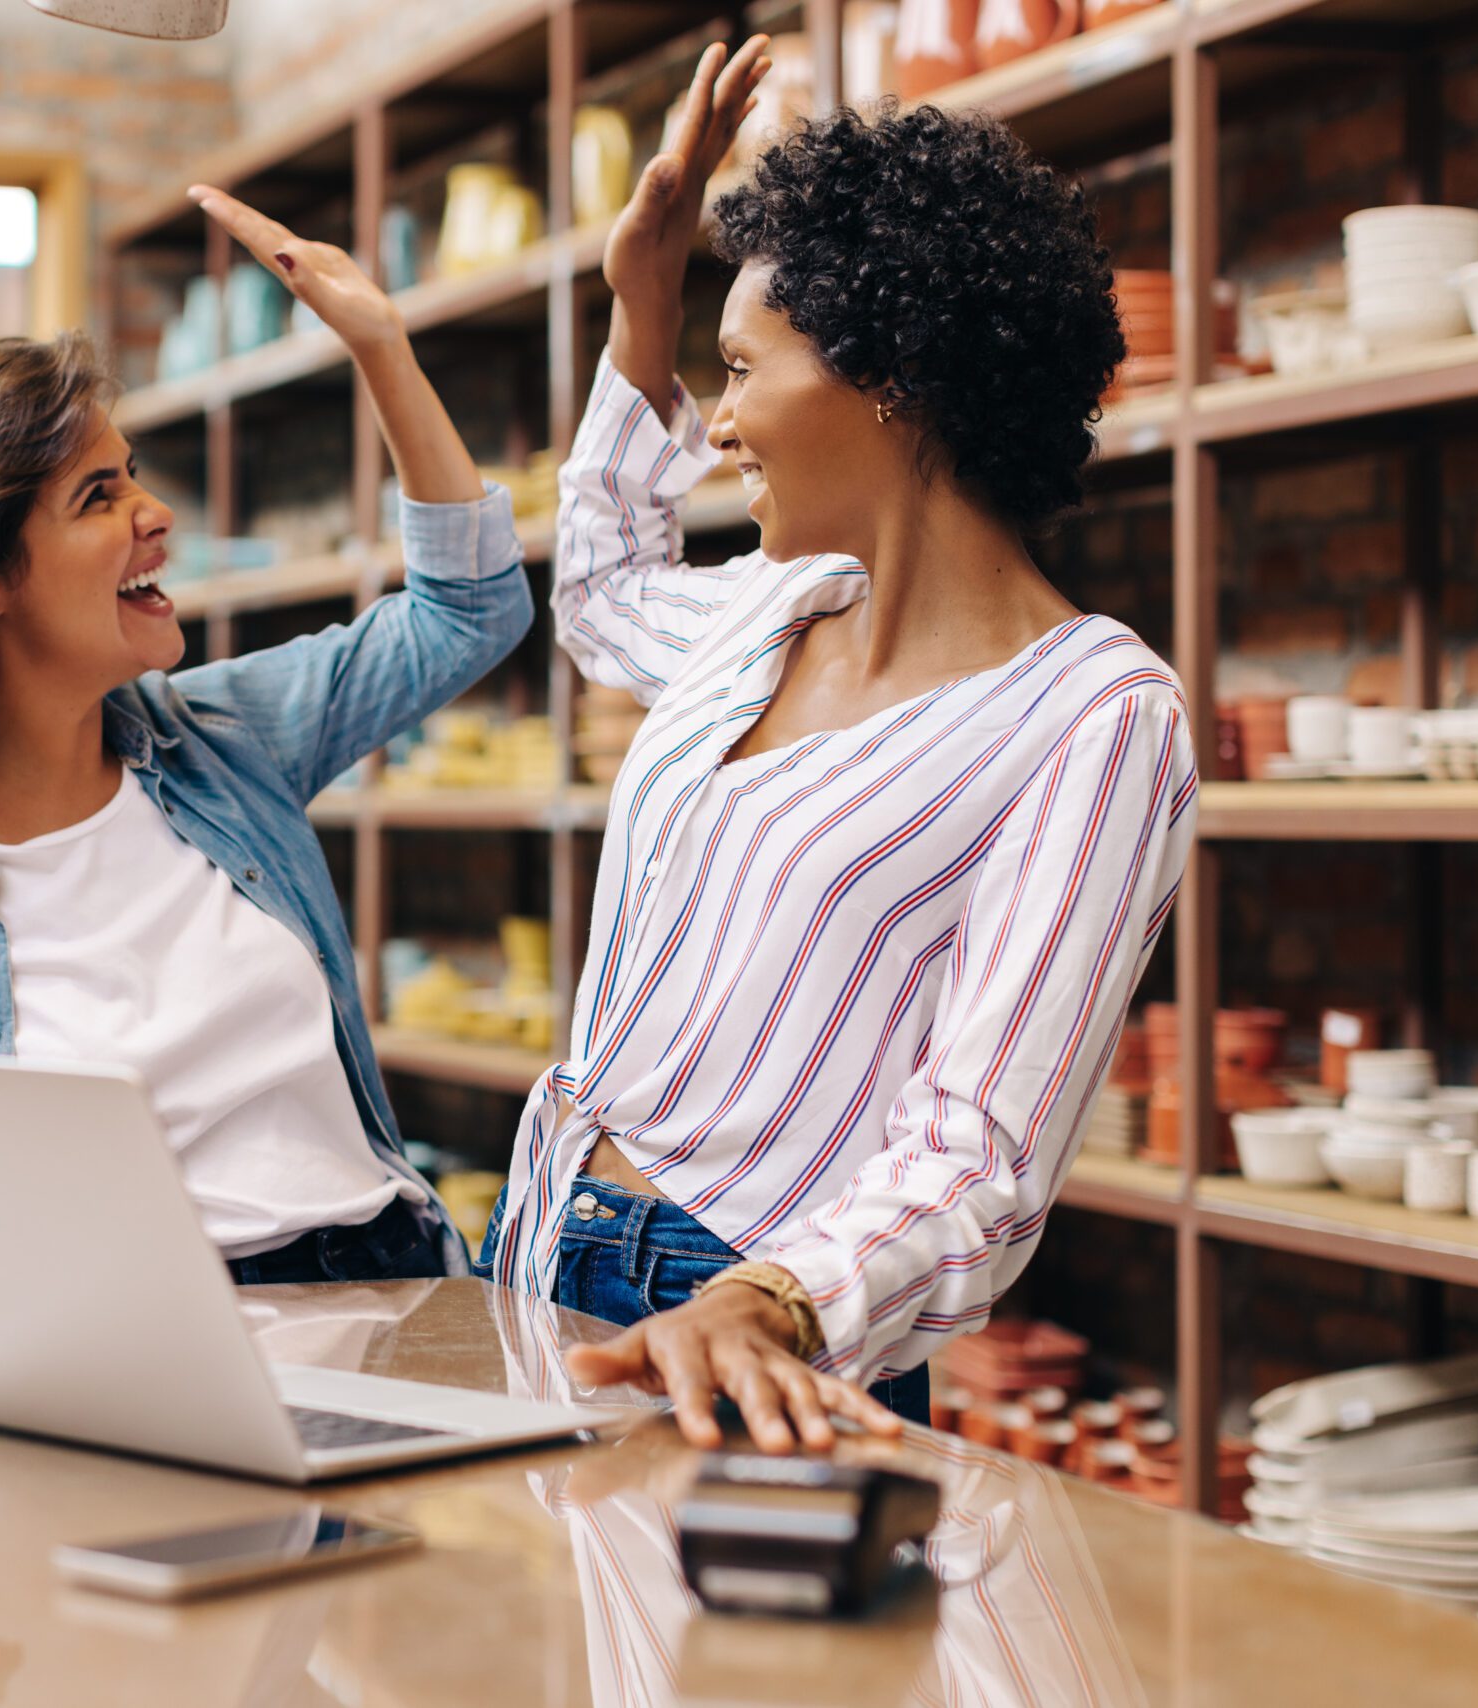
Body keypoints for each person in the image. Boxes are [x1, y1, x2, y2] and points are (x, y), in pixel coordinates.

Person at [477, 39, 1199, 1454]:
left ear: (892, 381)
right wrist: (644, 302)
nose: (721, 421)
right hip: (540, 1225)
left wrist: (775, 1305)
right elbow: (603, 585)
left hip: (754, 1317)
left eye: (740, 371)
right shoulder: (770, 604)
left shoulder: (1098, 719)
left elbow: (982, 1146)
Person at [0, 199, 531, 1286]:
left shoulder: (223, 738)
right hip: (135, 1322)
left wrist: (378, 345)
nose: (155, 514)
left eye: (134, 475)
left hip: (397, 1280)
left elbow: (469, 610)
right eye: (97, 496)